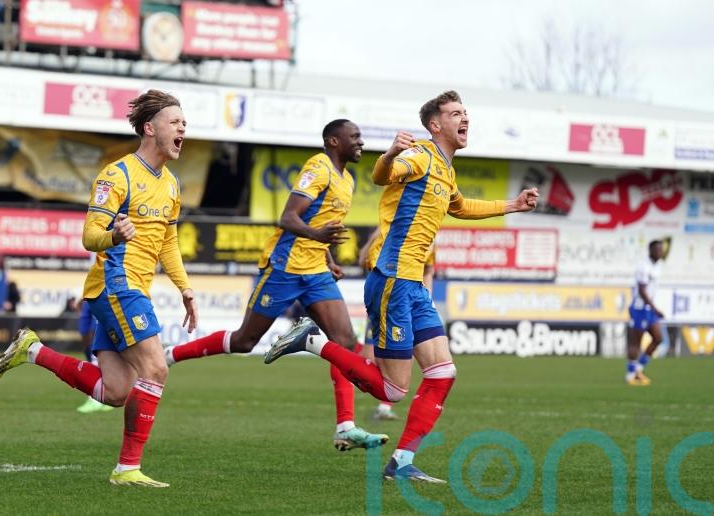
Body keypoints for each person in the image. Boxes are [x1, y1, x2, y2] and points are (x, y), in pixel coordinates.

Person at [265, 90, 538, 482]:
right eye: (456, 113)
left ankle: (402, 463)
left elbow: (460, 207)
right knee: (393, 391)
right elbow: (382, 176)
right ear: (435, 125)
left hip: (412, 286)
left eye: (466, 112)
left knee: (442, 373)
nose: (465, 119)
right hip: (393, 279)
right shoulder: (420, 155)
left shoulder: (445, 168)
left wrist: (512, 205)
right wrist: (391, 154)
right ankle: (312, 342)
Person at [0, 89, 198, 488]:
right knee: (155, 368)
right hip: (115, 286)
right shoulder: (116, 175)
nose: (182, 128)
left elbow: (168, 241)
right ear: (150, 128)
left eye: (184, 123)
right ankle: (127, 469)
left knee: (117, 391)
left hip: (134, 289)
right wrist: (114, 237)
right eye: (176, 122)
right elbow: (89, 236)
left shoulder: (171, 185)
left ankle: (33, 351)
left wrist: (184, 288)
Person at [163, 119, 388, 451]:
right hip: (284, 267)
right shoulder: (319, 167)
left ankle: (345, 427)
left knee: (344, 344)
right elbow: (288, 217)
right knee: (244, 340)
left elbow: (319, 223)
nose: (361, 142)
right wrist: (316, 237)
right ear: (333, 141)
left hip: (315, 271)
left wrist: (326, 257)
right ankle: (169, 355)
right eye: (354, 136)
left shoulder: (348, 180)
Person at [357, 228, 436, 421]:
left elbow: (428, 271)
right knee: (368, 358)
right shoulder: (384, 234)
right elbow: (363, 262)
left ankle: (384, 406)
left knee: (402, 359)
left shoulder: (429, 238)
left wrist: (427, 300)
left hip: (410, 303)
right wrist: (372, 239)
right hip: (384, 300)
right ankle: (345, 365)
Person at [626, 239, 666, 386]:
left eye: (661, 249)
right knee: (636, 342)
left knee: (658, 338)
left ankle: (639, 369)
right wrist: (655, 308)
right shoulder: (644, 267)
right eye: (657, 249)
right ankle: (631, 375)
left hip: (649, 310)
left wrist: (653, 308)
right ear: (650, 251)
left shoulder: (658, 266)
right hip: (639, 308)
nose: (660, 252)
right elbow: (642, 291)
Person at [75, 299, 114, 413]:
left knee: (97, 363)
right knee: (84, 329)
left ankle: (95, 399)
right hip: (90, 295)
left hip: (101, 295)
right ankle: (106, 395)